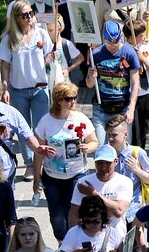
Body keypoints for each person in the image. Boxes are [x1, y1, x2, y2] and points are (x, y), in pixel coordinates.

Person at [31, 82, 99, 241]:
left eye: (75, 98)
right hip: (52, 177)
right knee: (56, 217)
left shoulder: (80, 118)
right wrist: (36, 177)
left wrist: (88, 147)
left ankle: (72, 243)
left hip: (76, 175)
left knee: (74, 213)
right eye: (68, 99)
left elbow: (94, 142)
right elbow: (38, 151)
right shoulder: (46, 121)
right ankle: (62, 240)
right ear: (58, 100)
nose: (73, 102)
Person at [0, 0, 55, 171]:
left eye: (31, 13)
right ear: (16, 18)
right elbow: (5, 66)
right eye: (25, 15)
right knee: (22, 129)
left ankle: (41, 162)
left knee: (39, 127)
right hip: (18, 89)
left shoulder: (41, 33)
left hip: (40, 89)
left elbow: (49, 57)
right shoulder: (9, 38)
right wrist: (5, 88)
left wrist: (51, 56)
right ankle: (29, 163)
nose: (29, 17)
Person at [86, 19, 141, 144]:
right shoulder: (96, 54)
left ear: (121, 37)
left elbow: (135, 83)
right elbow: (89, 84)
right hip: (101, 107)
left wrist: (131, 109)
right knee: (101, 148)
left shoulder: (129, 52)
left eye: (116, 44)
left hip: (123, 106)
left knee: (123, 147)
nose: (113, 47)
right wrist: (91, 76)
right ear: (104, 39)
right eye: (110, 44)